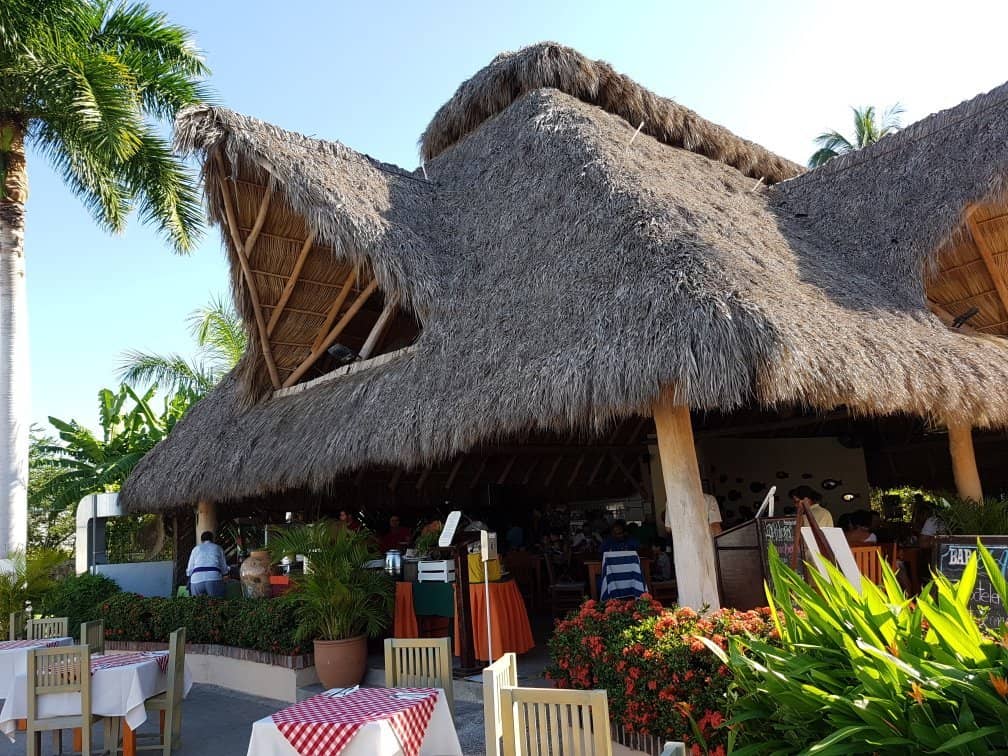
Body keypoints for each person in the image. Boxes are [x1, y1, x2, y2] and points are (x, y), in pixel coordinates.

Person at [187, 531, 228, 597]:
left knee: (197, 605)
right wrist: (225, 573)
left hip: (196, 580)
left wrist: (190, 575)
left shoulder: (195, 549)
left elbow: (189, 569)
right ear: (212, 539)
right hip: (214, 578)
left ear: (201, 540)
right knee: (217, 604)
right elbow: (224, 568)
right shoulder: (218, 548)